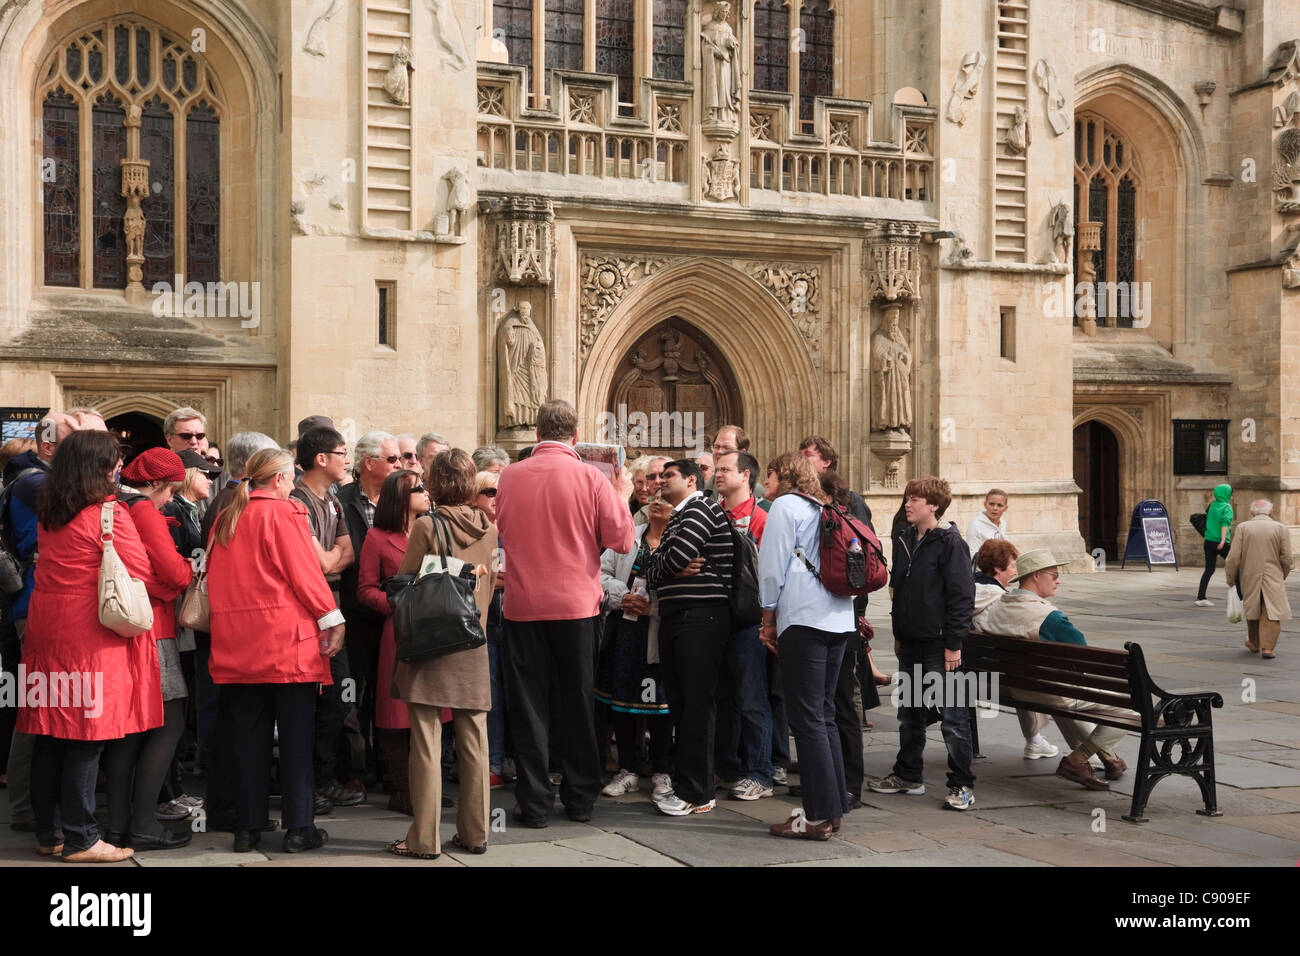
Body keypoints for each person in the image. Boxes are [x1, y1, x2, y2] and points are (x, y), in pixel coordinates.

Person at [21, 429, 160, 862]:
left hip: (47, 629)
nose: (119, 467)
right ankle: (82, 838)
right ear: (101, 467)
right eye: (114, 461)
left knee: (48, 734)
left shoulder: (50, 510)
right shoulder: (109, 513)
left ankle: (51, 834)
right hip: (88, 634)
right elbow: (140, 569)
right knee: (86, 735)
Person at [495, 400, 634, 827]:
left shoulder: (510, 477)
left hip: (523, 606)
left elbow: (503, 530)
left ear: (537, 435)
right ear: (575, 437)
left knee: (529, 705)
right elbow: (623, 540)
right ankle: (579, 800)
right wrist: (622, 495)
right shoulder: (591, 478)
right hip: (576, 606)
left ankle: (534, 803)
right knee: (577, 703)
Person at [207, 448, 344, 853]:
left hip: (236, 641)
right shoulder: (286, 513)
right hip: (286, 642)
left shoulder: (226, 517)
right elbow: (305, 573)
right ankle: (299, 827)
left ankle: (247, 828)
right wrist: (330, 616)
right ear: (280, 480)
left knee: (247, 739)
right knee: (297, 738)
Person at [388, 449, 498, 858]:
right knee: (474, 740)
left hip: (432, 642)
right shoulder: (489, 527)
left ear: (435, 483)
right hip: (474, 640)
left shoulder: (426, 526)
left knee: (427, 741)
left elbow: (405, 581)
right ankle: (475, 834)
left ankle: (424, 839)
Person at [3, 412, 96, 833]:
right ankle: (26, 807)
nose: (86, 449)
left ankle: (50, 807)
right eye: (78, 439)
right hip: (35, 604)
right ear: (48, 446)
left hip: (50, 604)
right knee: (37, 711)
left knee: (50, 709)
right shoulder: (34, 482)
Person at [102, 448, 195, 850]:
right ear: (155, 483)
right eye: (170, 489)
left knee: (129, 731)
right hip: (153, 628)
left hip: (122, 629)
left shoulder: (113, 503)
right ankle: (143, 824)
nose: (172, 498)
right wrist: (188, 573)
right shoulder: (143, 510)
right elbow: (173, 571)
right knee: (168, 723)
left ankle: (120, 824)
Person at [975, 549, 1130, 790]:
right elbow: (1084, 659)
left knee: (1062, 692)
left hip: (1016, 689)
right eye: (1054, 575)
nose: (1058, 580)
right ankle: (1076, 760)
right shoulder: (1050, 618)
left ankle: (1107, 757)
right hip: (1047, 691)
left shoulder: (996, 608)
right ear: (1036, 576)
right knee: (1131, 708)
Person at [759, 453, 855, 839]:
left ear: (784, 476)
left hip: (803, 618)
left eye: (769, 473)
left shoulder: (785, 506)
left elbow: (771, 566)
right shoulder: (825, 506)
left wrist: (768, 617)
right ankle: (832, 810)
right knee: (824, 714)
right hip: (839, 618)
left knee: (808, 718)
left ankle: (817, 817)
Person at [870, 476, 977, 811]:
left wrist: (954, 645)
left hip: (940, 646)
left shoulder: (949, 543)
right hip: (912, 643)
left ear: (934, 506)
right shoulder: (904, 539)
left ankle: (961, 785)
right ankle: (908, 775)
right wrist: (900, 634)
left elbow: (962, 597)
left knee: (953, 719)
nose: (908, 503)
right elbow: (899, 592)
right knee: (911, 714)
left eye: (916, 499)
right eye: (908, 498)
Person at [192, 431, 280, 832]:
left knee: (232, 719)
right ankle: (229, 807)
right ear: (251, 463)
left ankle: (231, 805)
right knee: (230, 722)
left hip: (229, 626)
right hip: (233, 628)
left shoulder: (229, 499)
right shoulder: (236, 502)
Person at [646, 459, 734, 816]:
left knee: (696, 707)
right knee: (682, 706)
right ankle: (690, 786)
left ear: (691, 480)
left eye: (669, 476)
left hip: (700, 619)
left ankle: (696, 792)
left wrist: (666, 564)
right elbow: (651, 570)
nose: (661, 481)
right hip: (678, 618)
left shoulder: (699, 508)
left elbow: (674, 557)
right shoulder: (677, 518)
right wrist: (668, 566)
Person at [290, 426, 363, 814]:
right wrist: (331, 557)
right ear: (322, 458)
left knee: (337, 699)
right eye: (342, 452)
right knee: (309, 704)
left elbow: (345, 555)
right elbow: (317, 562)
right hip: (307, 615)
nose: (346, 459)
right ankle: (305, 787)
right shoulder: (295, 500)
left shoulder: (332, 499)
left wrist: (330, 557)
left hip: (334, 609)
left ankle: (325, 777)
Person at [334, 429, 402, 801]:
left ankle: (393, 773)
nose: (399, 465)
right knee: (353, 697)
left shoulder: (402, 501)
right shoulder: (341, 501)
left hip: (394, 614)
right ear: (368, 463)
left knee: (393, 696)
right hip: (355, 614)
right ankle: (354, 773)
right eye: (391, 459)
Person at [356, 469, 429, 814]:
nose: (427, 492)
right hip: (397, 631)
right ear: (401, 497)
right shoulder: (377, 537)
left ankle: (425, 786)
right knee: (395, 711)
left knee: (429, 708)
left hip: (434, 629)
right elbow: (365, 589)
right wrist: (395, 605)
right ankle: (402, 789)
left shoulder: (433, 529)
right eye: (419, 488)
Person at [596, 498, 673, 800]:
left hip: (659, 636)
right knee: (622, 702)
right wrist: (622, 595)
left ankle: (662, 770)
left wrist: (653, 606)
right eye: (654, 494)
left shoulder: (679, 539)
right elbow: (599, 574)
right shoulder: (629, 536)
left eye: (665, 497)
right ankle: (628, 769)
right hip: (624, 634)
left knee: (661, 706)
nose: (657, 501)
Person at [711, 450, 773, 800]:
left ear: (746, 475)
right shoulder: (713, 513)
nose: (717, 475)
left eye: (725, 470)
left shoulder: (761, 517)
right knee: (724, 699)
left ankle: (761, 773)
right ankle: (727, 767)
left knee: (752, 698)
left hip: (749, 621)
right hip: (717, 619)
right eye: (716, 469)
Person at [970, 539, 1060, 760]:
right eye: (1012, 566)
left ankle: (1035, 741)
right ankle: (1035, 741)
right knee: (1023, 672)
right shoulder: (999, 598)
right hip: (991, 674)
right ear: (998, 569)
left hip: (973, 666)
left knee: (1018, 669)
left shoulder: (969, 587)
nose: (1017, 570)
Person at [473, 469, 509, 786]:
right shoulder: (471, 532)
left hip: (518, 623)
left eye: (502, 491)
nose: (498, 498)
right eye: (491, 492)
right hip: (484, 625)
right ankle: (493, 763)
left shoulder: (517, 528)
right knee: (492, 695)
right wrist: (486, 580)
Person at [1225, 499, 1292, 659]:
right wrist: (1283, 573)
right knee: (1272, 611)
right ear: (1270, 512)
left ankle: (1254, 643)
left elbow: (1233, 557)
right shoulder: (1280, 528)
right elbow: (1287, 557)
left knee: (1253, 610)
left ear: (1252, 513)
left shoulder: (1243, 528)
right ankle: (1268, 648)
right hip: (1273, 575)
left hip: (1250, 575)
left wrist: (1231, 576)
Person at [1195, 483, 1234, 607]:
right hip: (1221, 542)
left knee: (1209, 570)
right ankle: (1241, 596)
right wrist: (1223, 541)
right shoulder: (1227, 507)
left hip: (1208, 541)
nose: (1232, 497)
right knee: (1237, 565)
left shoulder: (1212, 505)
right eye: (1231, 494)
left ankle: (1201, 597)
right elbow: (1224, 524)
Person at [965, 489, 1009, 562]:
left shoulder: (1003, 524)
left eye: (999, 505)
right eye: (991, 504)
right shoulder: (975, 526)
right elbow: (973, 557)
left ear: (1005, 508)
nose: (995, 508)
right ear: (985, 504)